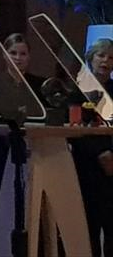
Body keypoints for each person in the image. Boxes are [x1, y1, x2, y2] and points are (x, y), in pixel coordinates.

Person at [0, 31, 46, 238]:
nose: (18, 58)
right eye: (13, 53)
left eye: (23, 53)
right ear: (4, 55)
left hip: (34, 150)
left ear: (29, 56)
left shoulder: (39, 84)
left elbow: (44, 117)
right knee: (4, 201)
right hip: (3, 150)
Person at [70, 38, 113, 257]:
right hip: (88, 168)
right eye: (101, 55)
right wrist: (101, 153)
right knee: (90, 229)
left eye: (111, 57)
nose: (106, 61)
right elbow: (75, 128)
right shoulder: (77, 89)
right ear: (90, 58)